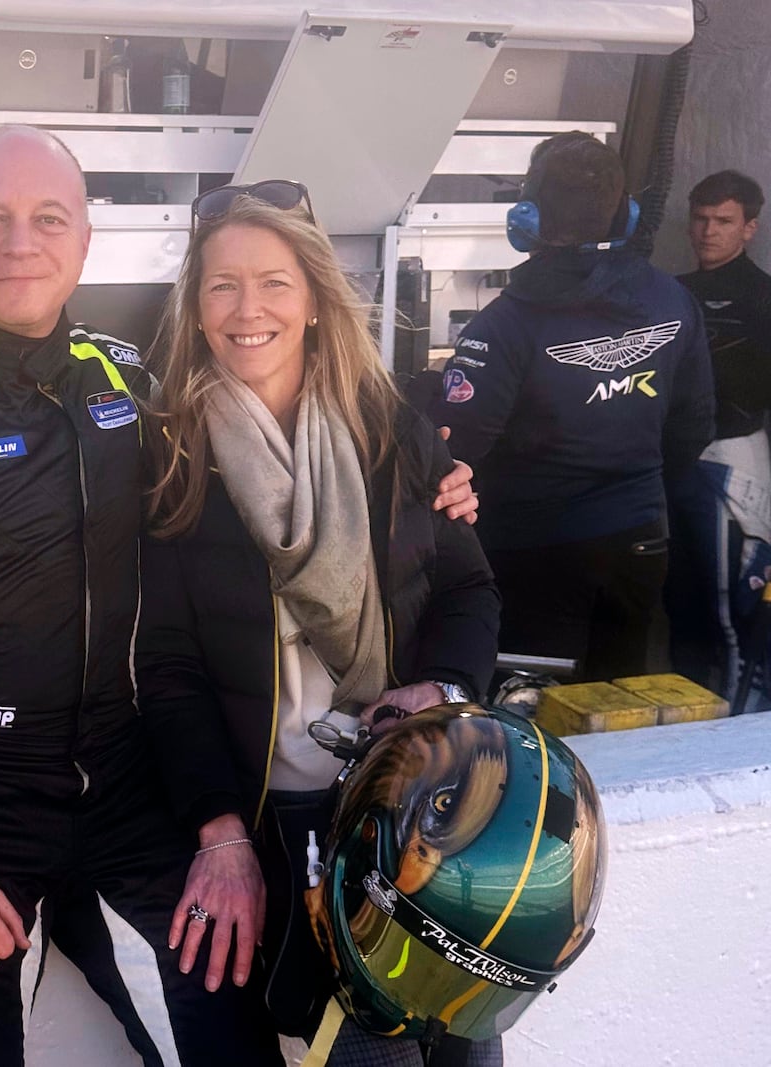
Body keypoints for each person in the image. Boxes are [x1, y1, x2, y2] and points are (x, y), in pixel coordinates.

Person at [0, 125, 476, 1066]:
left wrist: (440, 491)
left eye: (48, 218)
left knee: (237, 1028)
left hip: (132, 792)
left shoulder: (137, 384)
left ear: (86, 240)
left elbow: (259, 507)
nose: (20, 243)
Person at [135, 189, 502, 1067]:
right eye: (222, 286)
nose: (248, 310)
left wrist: (441, 690)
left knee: (463, 1048)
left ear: (313, 298)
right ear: (194, 305)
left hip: (411, 795)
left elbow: (470, 591)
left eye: (272, 282)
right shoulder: (170, 454)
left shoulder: (390, 429)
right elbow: (168, 668)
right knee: (364, 1055)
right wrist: (219, 831)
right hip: (281, 823)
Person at [429, 131, 714, 681]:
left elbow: (455, 451)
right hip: (639, 543)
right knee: (615, 702)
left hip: (532, 552)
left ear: (527, 218)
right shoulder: (674, 300)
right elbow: (693, 425)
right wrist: (638, 491)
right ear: (625, 216)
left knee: (529, 712)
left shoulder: (504, 325)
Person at [668, 170, 771, 701]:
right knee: (678, 602)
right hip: (673, 464)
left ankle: (735, 734)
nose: (709, 231)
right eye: (701, 219)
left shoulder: (762, 299)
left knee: (732, 611)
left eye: (724, 221)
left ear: (749, 228)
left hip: (731, 464)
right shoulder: (671, 292)